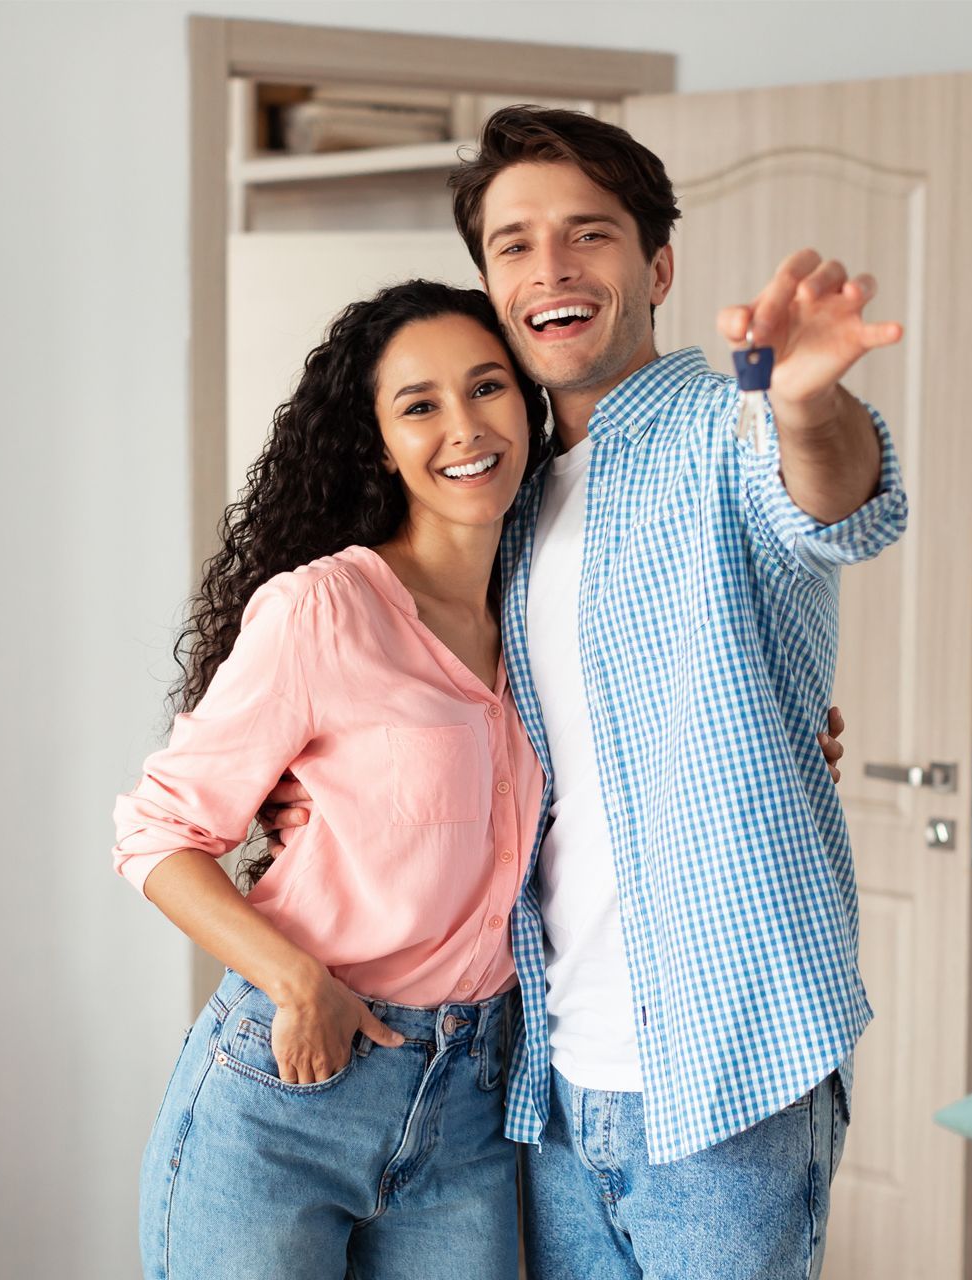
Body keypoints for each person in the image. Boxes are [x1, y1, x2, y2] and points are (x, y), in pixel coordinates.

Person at [268, 105, 908, 1278]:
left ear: (655, 264)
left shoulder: (730, 428)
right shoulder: (501, 506)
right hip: (550, 1076)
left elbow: (825, 498)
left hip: (724, 1062)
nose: (550, 267)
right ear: (489, 283)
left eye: (589, 235)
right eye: (513, 243)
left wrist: (807, 401)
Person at [112, 281, 551, 1280]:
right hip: (292, 1088)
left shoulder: (540, 608)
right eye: (420, 404)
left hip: (470, 1102)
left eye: (488, 387)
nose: (465, 426)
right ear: (380, 443)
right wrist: (294, 976)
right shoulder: (325, 609)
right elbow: (155, 834)